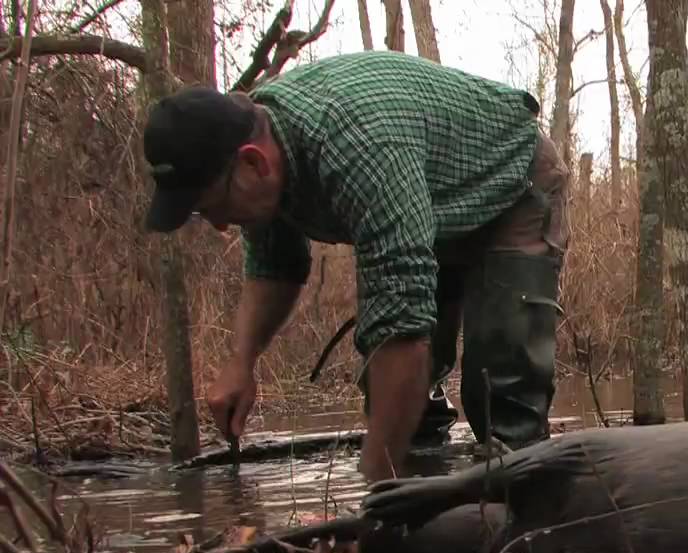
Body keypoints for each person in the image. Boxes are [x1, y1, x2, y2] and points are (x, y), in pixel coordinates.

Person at [140, 51, 569, 483]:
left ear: (254, 163)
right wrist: (241, 362)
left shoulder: (359, 148)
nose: (217, 224)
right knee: (384, 386)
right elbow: (275, 265)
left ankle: (522, 516)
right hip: (433, 201)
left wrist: (375, 489)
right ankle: (426, 491)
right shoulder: (260, 150)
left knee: (500, 387)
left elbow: (402, 329)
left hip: (513, 180)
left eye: (214, 206)